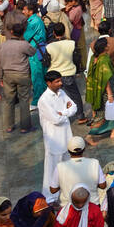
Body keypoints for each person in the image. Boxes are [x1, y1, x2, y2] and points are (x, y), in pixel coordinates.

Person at [37, 70, 78, 201]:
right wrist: (66, 113)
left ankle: (68, 191)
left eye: (60, 81)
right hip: (54, 139)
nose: (60, 83)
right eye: (57, 81)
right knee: (52, 169)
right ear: (48, 83)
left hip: (67, 136)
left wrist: (62, 113)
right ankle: (50, 197)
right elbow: (55, 119)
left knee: (68, 166)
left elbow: (74, 107)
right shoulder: (44, 100)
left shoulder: (62, 93)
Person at [0, 23, 36, 133]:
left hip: (7, 75)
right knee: (24, 100)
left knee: (9, 101)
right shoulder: (24, 44)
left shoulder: (2, 46)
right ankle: (25, 127)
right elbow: (33, 52)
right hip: (22, 75)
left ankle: (9, 126)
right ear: (23, 33)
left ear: (11, 32)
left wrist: (0, 78)